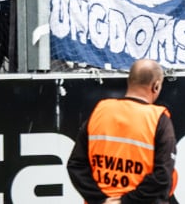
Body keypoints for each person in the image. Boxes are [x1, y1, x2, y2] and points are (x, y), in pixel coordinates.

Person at [70, 59, 178, 204]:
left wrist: (101, 200)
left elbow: (76, 165)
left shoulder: (100, 111)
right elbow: (162, 178)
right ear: (156, 86)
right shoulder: (159, 119)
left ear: (130, 81)